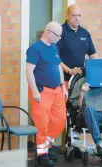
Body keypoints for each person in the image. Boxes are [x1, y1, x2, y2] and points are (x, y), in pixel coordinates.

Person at [26, 21, 68, 167]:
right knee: (42, 123)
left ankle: (46, 145)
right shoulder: (35, 48)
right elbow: (29, 71)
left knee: (60, 121)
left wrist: (63, 86)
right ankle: (42, 154)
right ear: (49, 32)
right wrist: (35, 91)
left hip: (56, 90)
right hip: (42, 91)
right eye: (58, 35)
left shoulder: (54, 47)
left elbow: (59, 67)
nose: (59, 38)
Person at [57, 4, 97, 84]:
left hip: (80, 80)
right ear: (67, 15)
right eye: (74, 15)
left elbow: (93, 56)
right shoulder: (60, 31)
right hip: (63, 80)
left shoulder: (85, 33)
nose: (77, 18)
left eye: (79, 15)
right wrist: (69, 70)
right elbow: (54, 57)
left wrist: (99, 69)